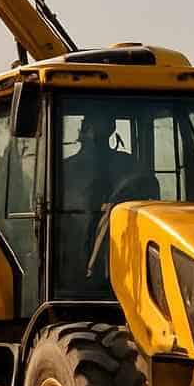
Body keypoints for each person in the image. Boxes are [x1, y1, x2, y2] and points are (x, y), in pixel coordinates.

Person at [57, 116, 159, 289]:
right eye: (93, 126)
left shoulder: (128, 165)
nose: (96, 133)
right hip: (73, 261)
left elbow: (152, 195)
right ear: (85, 130)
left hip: (127, 250)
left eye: (103, 126)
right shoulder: (65, 170)